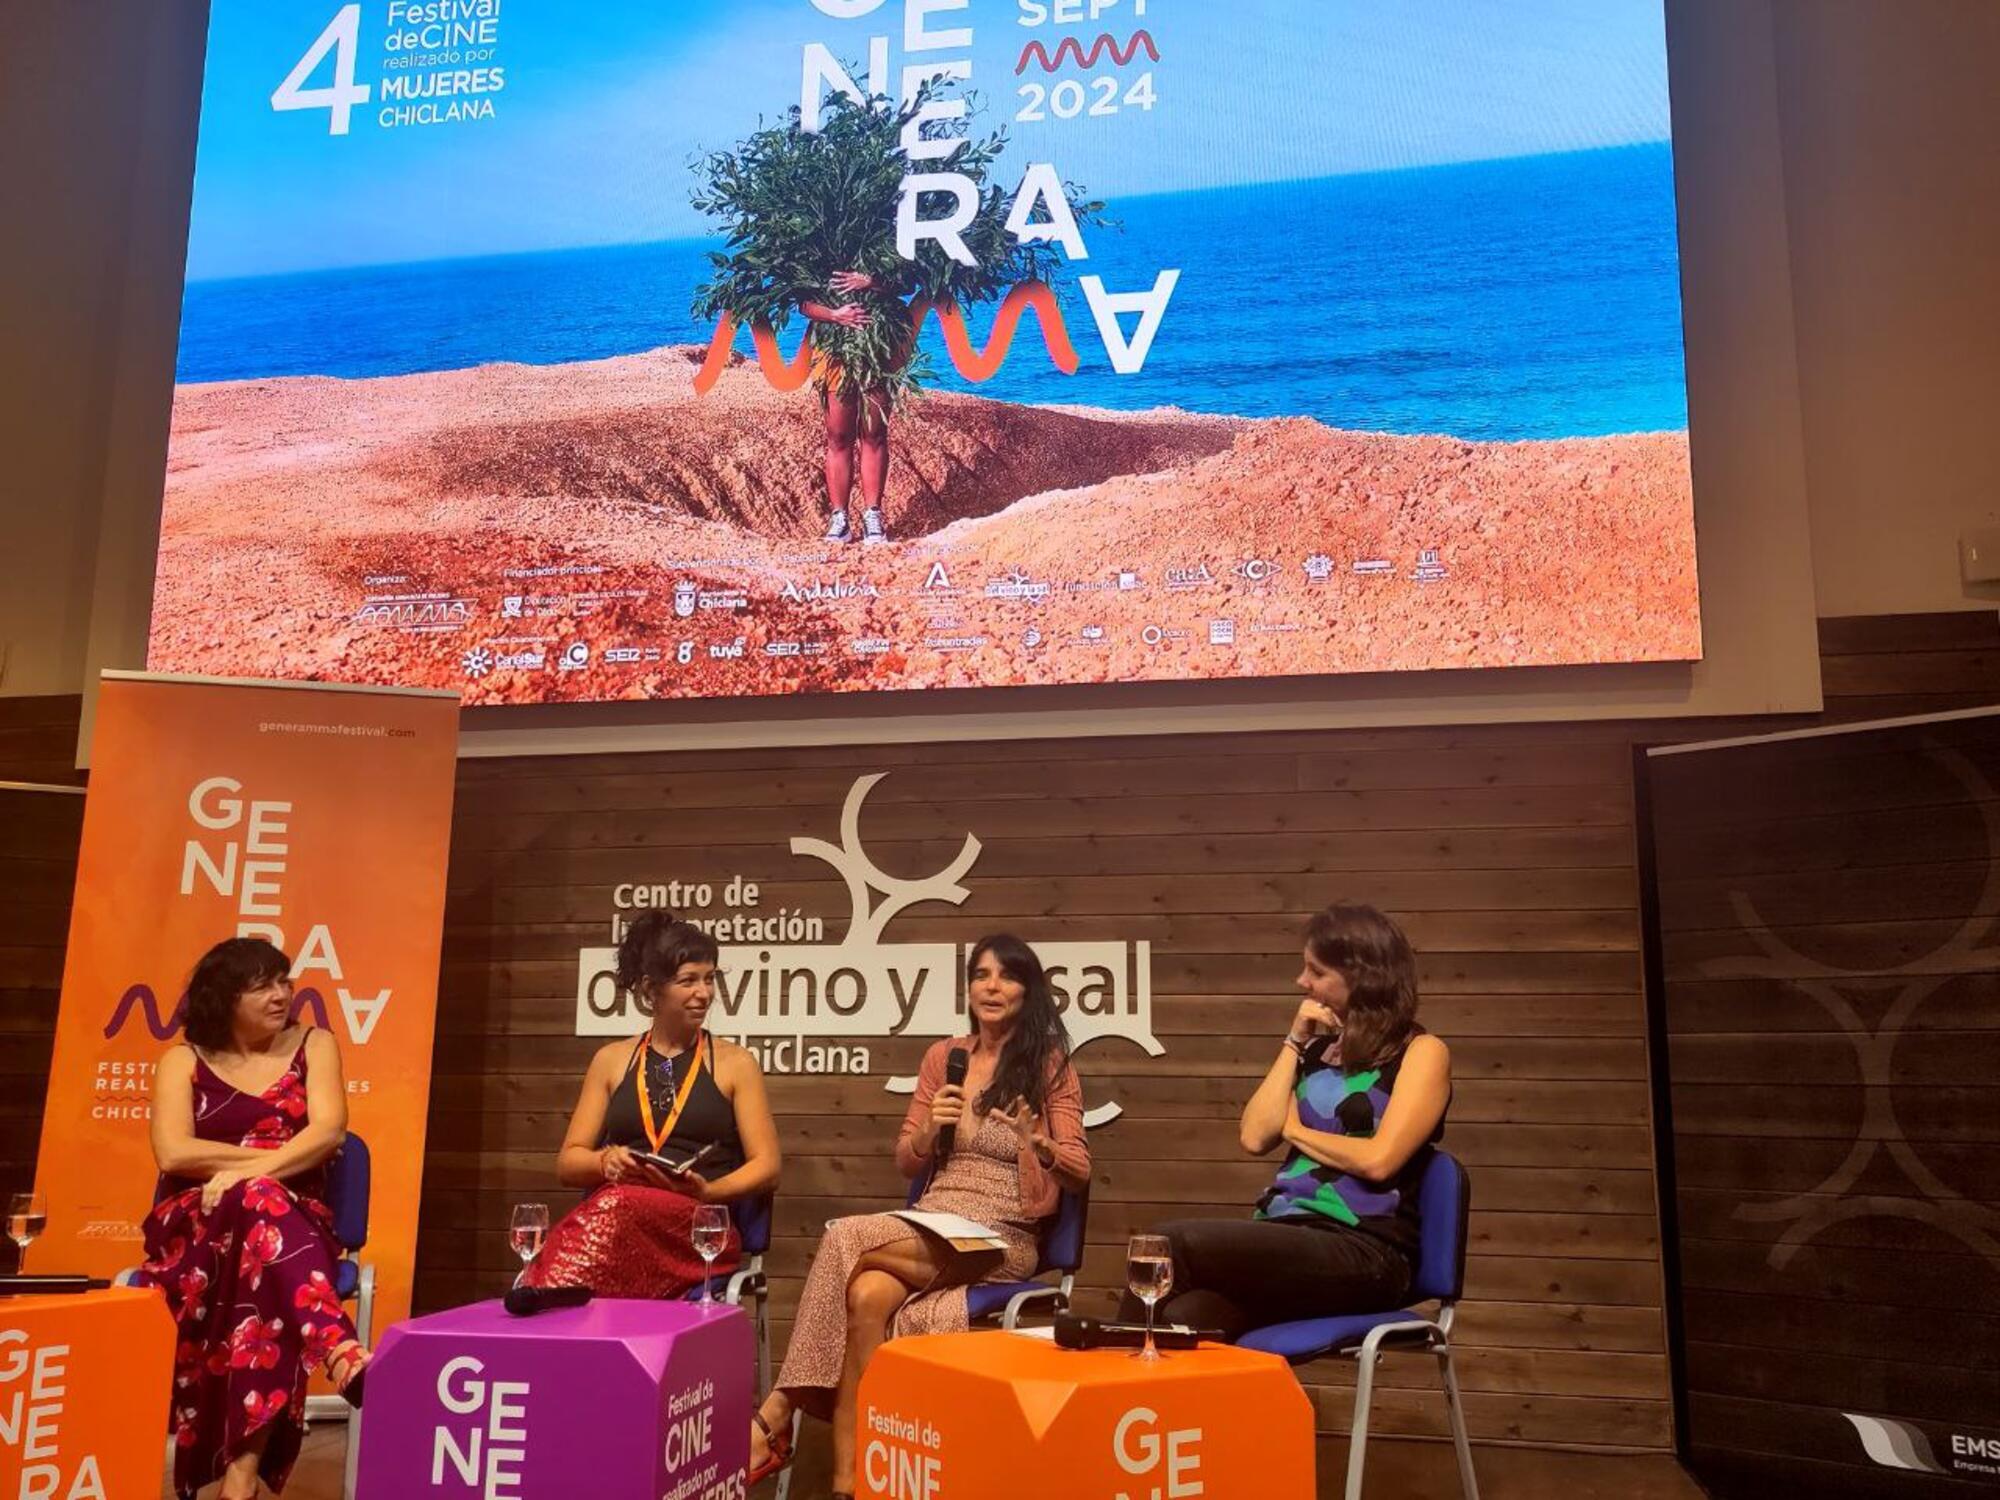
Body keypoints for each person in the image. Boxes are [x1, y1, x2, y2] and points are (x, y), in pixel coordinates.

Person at [749, 935, 1090, 1499]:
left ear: (1028, 991)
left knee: (846, 1236)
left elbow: (1079, 1169)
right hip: (935, 1223)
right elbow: (907, 1155)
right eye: (980, 975)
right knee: (867, 1296)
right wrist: (932, 1128)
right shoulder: (945, 1058)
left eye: (1006, 976)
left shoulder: (1049, 1065)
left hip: (1002, 1234)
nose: (991, 986)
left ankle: (775, 1415)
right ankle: (852, 1485)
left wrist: (1039, 1142)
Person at [1121, 902, 1453, 1341]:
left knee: (1167, 1246)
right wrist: (1295, 1040)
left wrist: (1294, 1130)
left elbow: (1379, 1161)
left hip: (1367, 1249)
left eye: (1316, 971)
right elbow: (1255, 1135)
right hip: (1289, 1236)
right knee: (1188, 1315)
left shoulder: (1421, 1052)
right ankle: (1170, 1405)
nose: (1302, 982)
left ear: (1362, 976)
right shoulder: (1314, 1052)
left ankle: (1107, 1388)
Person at [134, 938, 368, 1500]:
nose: (281, 994)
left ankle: (238, 1481)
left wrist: (244, 1177)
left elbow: (329, 1132)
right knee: (263, 1221)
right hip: (197, 1222)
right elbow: (173, 1154)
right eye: (262, 984)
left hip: (293, 1222)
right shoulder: (182, 1061)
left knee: (262, 1274)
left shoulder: (315, 1045)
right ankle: (336, 1346)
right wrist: (256, 1172)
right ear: (223, 997)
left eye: (284, 981)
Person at [522, 910, 780, 1296]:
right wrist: (604, 1161)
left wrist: (707, 1192)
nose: (704, 993)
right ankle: (553, 1310)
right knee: (618, 1204)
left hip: (697, 1230)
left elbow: (768, 1166)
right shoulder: (611, 1060)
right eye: (688, 981)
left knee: (617, 1207)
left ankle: (545, 1292)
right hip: (621, 1224)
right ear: (651, 989)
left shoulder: (736, 1064)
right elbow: (568, 1163)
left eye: (709, 979)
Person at [801, 270, 906, 547]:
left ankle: (873, 516)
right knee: (838, 436)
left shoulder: (886, 236)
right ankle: (840, 518)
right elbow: (802, 302)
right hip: (833, 349)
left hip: (879, 346)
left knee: (874, 433)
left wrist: (873, 282)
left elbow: (906, 283)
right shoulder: (816, 244)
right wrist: (835, 315)